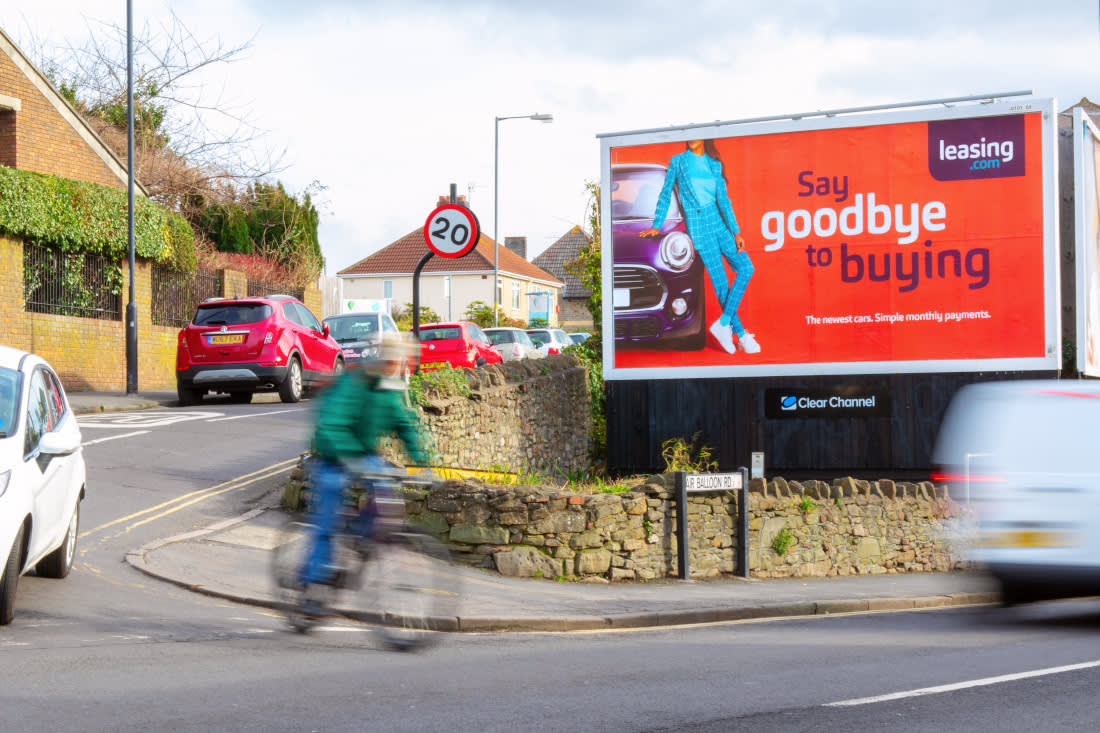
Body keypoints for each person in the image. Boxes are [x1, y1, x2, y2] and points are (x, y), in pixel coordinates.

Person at [299, 331, 434, 597]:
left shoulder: (389, 390)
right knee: (327, 518)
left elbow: (405, 425)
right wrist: (351, 460)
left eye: (398, 363)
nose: (394, 367)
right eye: (391, 361)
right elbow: (332, 426)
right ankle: (312, 583)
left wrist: (426, 461)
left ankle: (362, 537)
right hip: (332, 455)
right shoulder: (353, 383)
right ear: (383, 360)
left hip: (364, 456)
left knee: (386, 493)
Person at [640, 139, 760, 355]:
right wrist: (657, 225)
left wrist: (736, 230)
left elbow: (723, 200)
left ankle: (724, 324)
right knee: (721, 282)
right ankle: (741, 334)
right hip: (699, 227)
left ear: (705, 137)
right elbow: (666, 194)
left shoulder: (714, 164)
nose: (692, 138)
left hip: (719, 221)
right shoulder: (678, 162)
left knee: (746, 268)